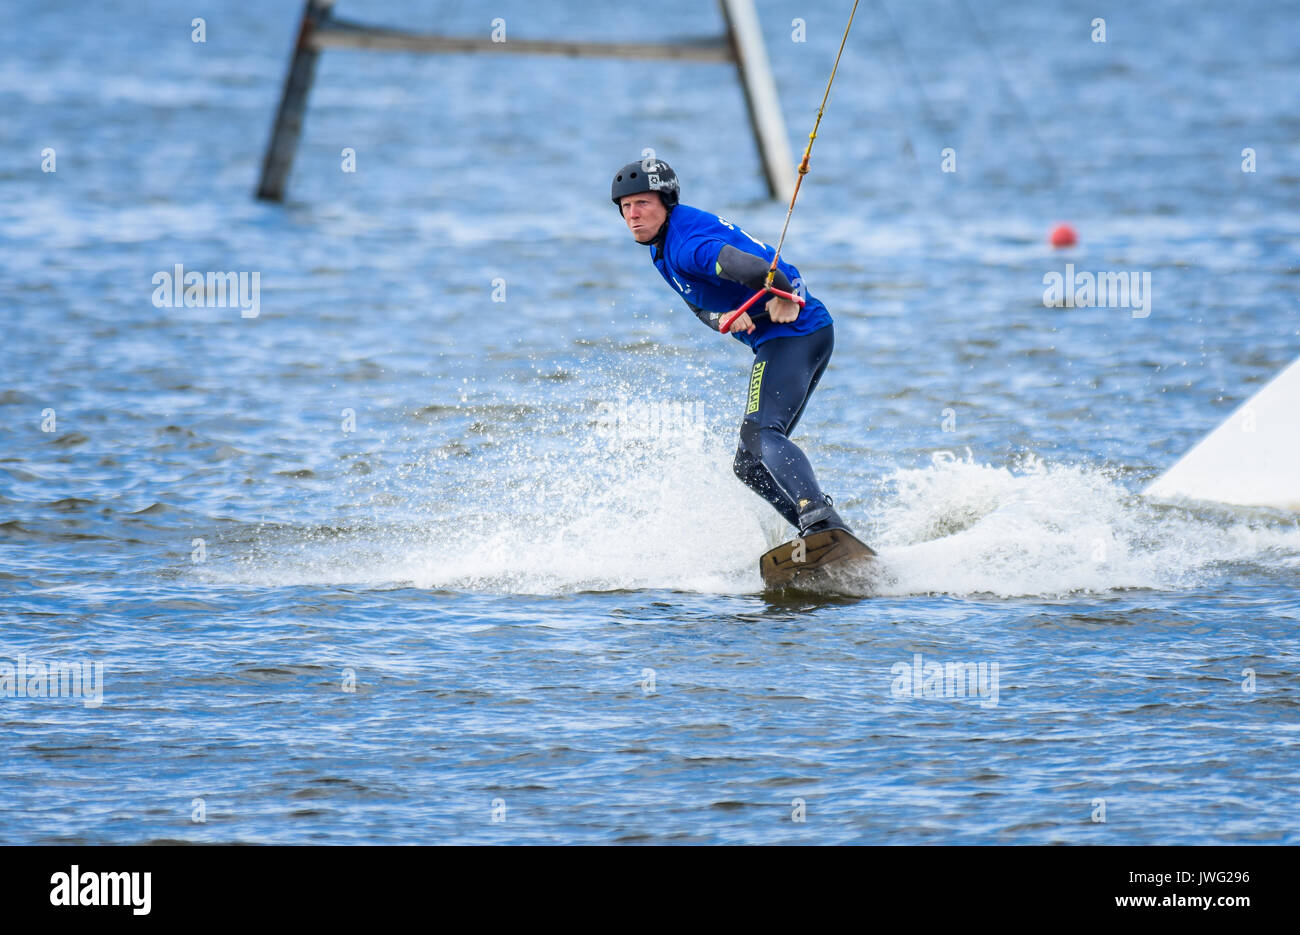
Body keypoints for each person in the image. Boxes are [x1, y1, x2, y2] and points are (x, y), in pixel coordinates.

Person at [611, 158, 850, 537]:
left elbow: (752, 267)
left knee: (763, 435)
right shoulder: (661, 245)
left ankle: (817, 516)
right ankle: (828, 534)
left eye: (643, 204)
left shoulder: (688, 245)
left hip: (794, 334)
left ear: (666, 203)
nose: (633, 216)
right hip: (797, 336)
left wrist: (786, 293)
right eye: (625, 207)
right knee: (749, 465)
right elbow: (696, 302)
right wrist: (718, 318)